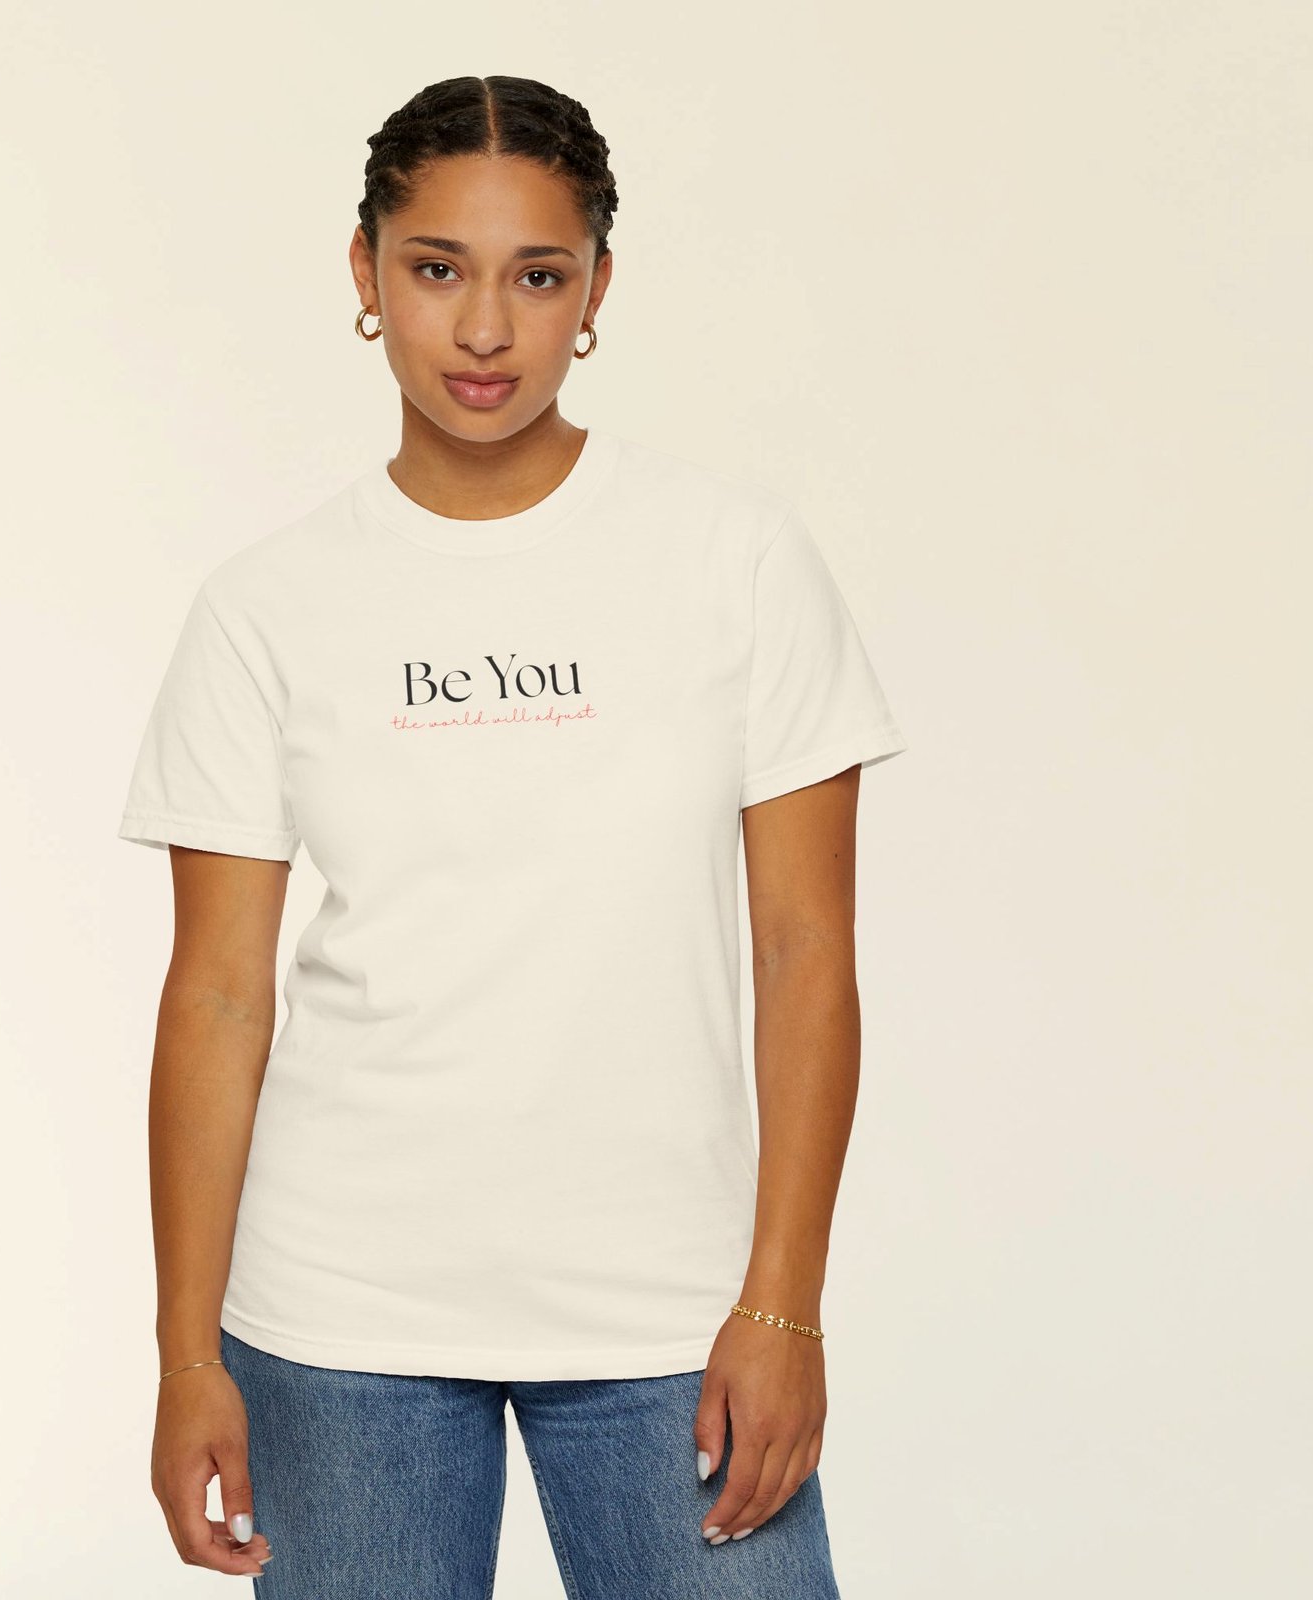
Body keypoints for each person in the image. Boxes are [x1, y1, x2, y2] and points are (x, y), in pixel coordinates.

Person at [117, 74, 908, 1598]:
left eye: (537, 277)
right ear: (365, 272)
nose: (484, 329)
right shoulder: (267, 607)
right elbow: (215, 996)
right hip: (338, 1318)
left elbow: (807, 949)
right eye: (437, 269)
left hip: (671, 1309)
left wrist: (785, 1304)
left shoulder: (734, 562)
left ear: (596, 290)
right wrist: (185, 1352)